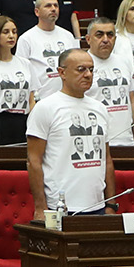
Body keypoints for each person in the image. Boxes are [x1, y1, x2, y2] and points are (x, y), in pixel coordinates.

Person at [26, 50, 116, 216]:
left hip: (98, 206)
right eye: (81, 69)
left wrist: (111, 204)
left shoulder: (100, 108)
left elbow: (107, 159)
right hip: (60, 207)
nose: (88, 75)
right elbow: (34, 161)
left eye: (91, 69)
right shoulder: (45, 108)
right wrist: (40, 207)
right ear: (62, 72)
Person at [85, 18, 134, 144]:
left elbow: (132, 100)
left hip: (126, 139)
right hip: (95, 141)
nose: (105, 39)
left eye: (110, 35)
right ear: (88, 39)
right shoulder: (81, 64)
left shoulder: (124, 62)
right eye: (99, 35)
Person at [17, 0, 78, 99]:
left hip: (68, 98)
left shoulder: (68, 36)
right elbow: (21, 71)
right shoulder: (26, 38)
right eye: (48, 6)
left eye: (56, 6)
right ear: (37, 12)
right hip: (40, 99)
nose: (53, 9)